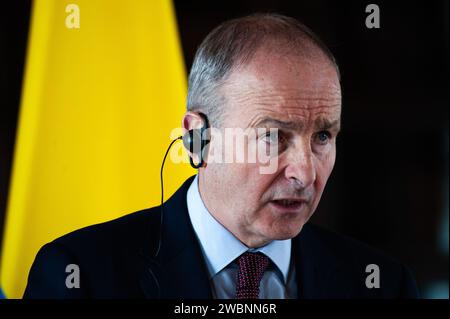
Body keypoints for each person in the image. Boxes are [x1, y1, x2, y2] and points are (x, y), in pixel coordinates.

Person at [24, 13, 419, 299]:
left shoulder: (385, 284)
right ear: (197, 139)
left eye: (321, 136)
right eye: (272, 136)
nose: (304, 172)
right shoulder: (79, 276)